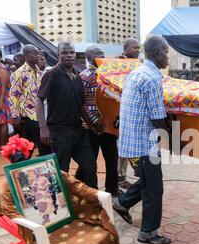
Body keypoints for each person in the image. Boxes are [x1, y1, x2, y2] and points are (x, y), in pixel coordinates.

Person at [112, 35, 172, 244]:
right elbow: (157, 117)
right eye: (166, 53)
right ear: (156, 54)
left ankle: (121, 203)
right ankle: (148, 232)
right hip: (145, 143)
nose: (168, 57)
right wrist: (171, 140)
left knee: (147, 180)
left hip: (132, 139)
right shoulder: (153, 78)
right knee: (155, 188)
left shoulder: (135, 72)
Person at [36, 42, 98, 189]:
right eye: (64, 53)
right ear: (58, 55)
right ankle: (62, 206)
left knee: (90, 167)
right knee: (62, 171)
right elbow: (39, 99)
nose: (69, 55)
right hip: (59, 132)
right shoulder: (52, 75)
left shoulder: (77, 78)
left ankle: (93, 204)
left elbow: (80, 105)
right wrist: (43, 128)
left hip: (78, 131)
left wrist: (92, 125)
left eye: (71, 52)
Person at [75, 46, 121, 196]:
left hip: (108, 126)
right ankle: (78, 185)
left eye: (102, 52)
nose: (102, 55)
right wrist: (94, 121)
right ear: (89, 58)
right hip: (92, 127)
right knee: (89, 161)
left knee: (112, 159)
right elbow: (81, 103)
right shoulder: (84, 76)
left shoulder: (109, 75)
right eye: (97, 53)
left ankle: (112, 188)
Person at [9, 44, 51, 156]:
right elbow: (14, 95)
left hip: (41, 114)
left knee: (27, 148)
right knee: (42, 146)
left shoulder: (41, 73)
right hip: (28, 116)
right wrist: (15, 116)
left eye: (38, 53)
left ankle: (19, 168)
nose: (38, 55)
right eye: (35, 53)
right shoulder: (18, 73)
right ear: (26, 56)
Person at [117, 38, 141, 189]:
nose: (138, 50)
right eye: (134, 48)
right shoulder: (117, 64)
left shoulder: (138, 65)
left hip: (134, 113)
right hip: (120, 112)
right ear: (125, 49)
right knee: (122, 148)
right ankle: (120, 178)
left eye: (139, 48)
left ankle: (134, 171)